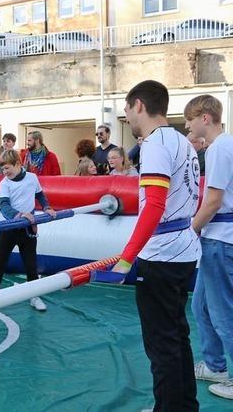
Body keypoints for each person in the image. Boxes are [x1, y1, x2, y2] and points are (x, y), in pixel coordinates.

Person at [110, 80, 201, 411]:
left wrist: (126, 257)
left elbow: (154, 206)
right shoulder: (181, 140)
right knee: (177, 337)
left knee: (162, 344)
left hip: (162, 253)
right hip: (182, 250)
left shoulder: (156, 144)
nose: (125, 113)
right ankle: (183, 406)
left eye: (126, 106)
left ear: (138, 106)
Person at [185, 94, 233, 401]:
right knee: (200, 306)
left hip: (219, 239)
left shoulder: (218, 149)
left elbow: (213, 200)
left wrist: (189, 230)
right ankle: (215, 365)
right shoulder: (226, 145)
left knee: (222, 312)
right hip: (218, 238)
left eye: (189, 119)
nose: (187, 125)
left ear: (205, 118)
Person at [0, 148, 56, 312]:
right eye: (2, 169)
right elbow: (4, 206)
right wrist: (20, 215)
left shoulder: (32, 178)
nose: (5, 172)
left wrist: (47, 207)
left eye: (7, 168)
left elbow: (40, 195)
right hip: (10, 229)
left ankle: (34, 296)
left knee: (31, 265)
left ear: (18, 164)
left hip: (27, 230)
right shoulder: (5, 183)